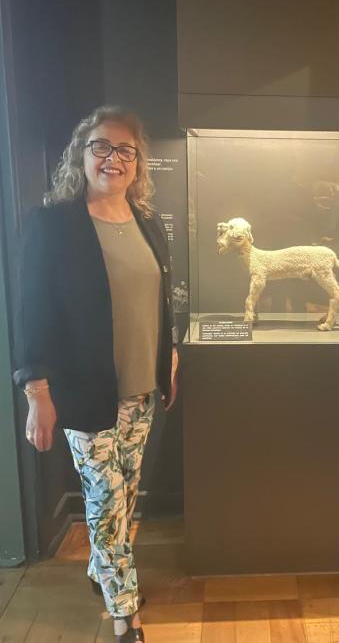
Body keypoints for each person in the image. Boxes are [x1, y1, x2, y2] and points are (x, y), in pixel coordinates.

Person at [13, 107, 179, 643]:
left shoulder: (147, 221)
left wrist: (169, 357)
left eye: (126, 151)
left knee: (125, 494)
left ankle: (100, 572)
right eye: (102, 148)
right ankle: (124, 613)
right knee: (106, 503)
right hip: (85, 394)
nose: (114, 159)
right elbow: (32, 311)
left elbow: (160, 300)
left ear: (138, 162)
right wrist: (36, 390)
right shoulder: (53, 224)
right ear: (81, 155)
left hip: (142, 389)